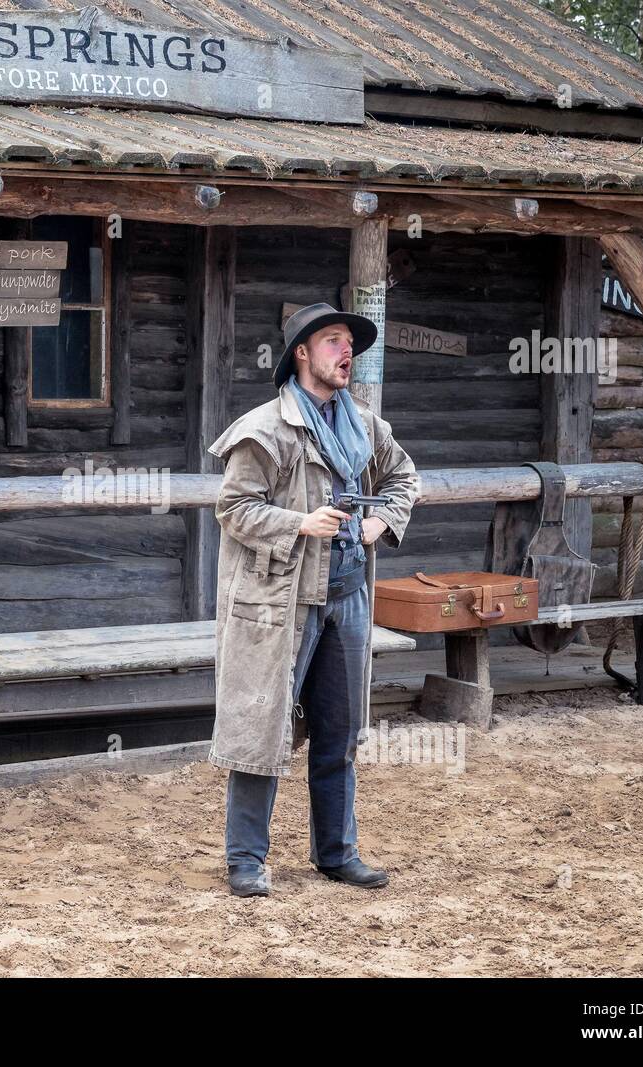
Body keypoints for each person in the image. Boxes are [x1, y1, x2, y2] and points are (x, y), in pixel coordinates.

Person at [206, 302, 420, 897]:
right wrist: (299, 523)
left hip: (348, 596)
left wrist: (384, 523)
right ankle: (246, 861)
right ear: (302, 353)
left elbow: (404, 478)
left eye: (349, 343)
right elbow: (234, 509)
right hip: (282, 602)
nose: (345, 353)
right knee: (262, 727)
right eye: (332, 342)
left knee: (340, 730)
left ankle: (336, 852)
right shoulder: (265, 431)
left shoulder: (365, 427)